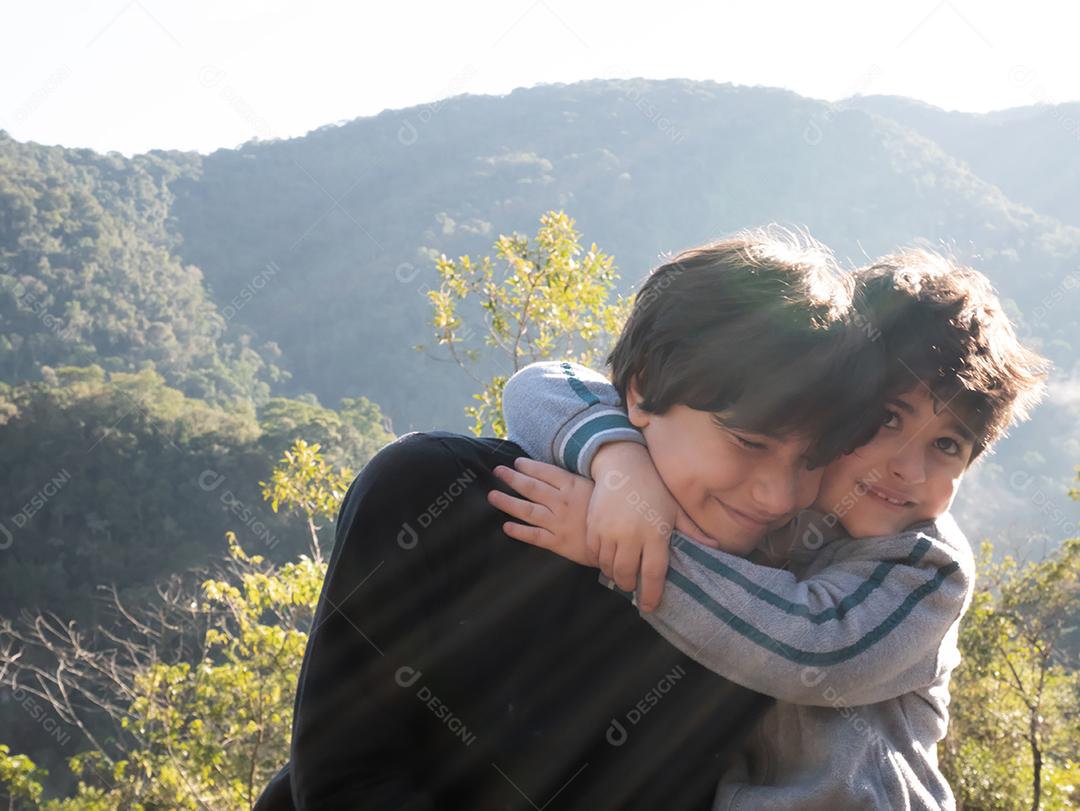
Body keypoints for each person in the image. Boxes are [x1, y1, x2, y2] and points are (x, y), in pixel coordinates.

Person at [254, 228, 888, 809]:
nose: (777, 497)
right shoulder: (436, 494)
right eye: (749, 442)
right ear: (642, 389)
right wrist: (619, 465)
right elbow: (346, 783)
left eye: (813, 460)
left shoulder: (769, 611)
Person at [491, 249, 1048, 810]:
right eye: (887, 419)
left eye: (947, 444)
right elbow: (542, 385)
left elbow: (813, 646)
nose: (908, 467)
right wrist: (618, 463)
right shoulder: (782, 499)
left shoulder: (926, 567)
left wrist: (627, 549)